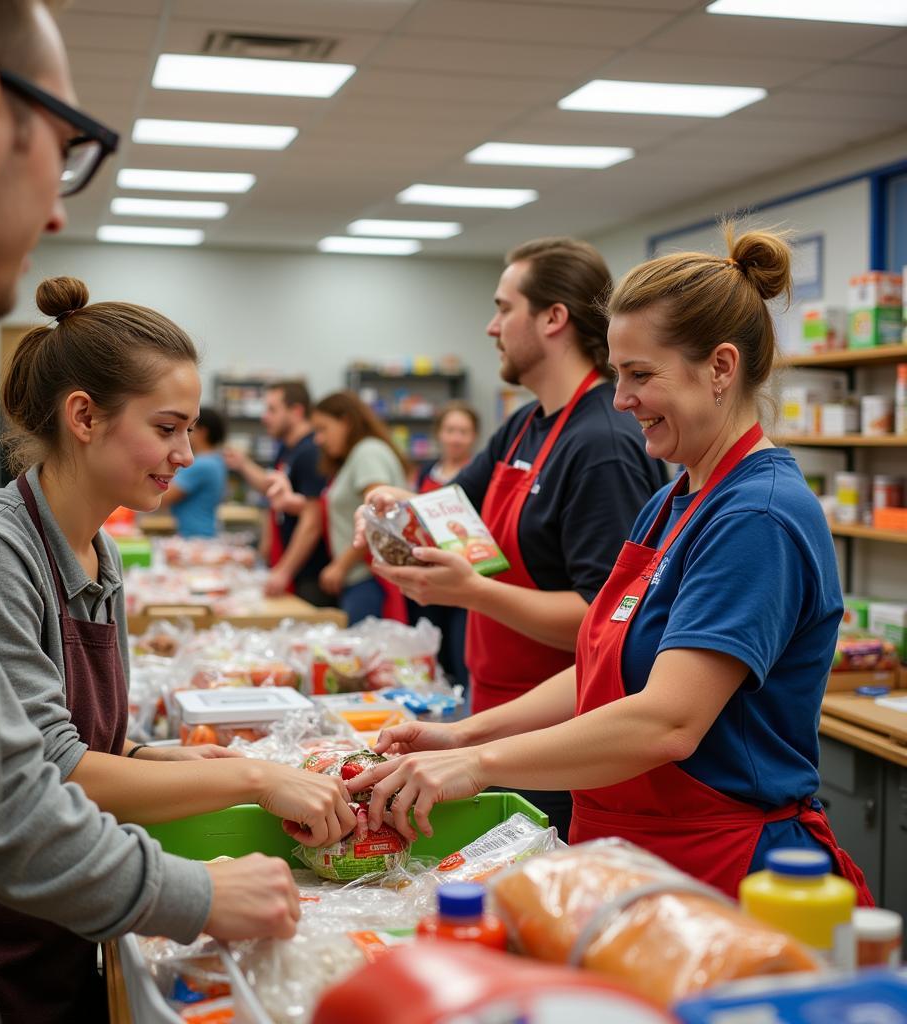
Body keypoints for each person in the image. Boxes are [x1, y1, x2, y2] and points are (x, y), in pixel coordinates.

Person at [0, 3, 302, 1021]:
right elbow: (27, 795)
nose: (60, 213)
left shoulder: (90, 554)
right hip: (7, 957)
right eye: (68, 152)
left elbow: (43, 755)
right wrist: (208, 864)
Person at [348, 226, 872, 906]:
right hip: (630, 853)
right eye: (618, 374)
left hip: (720, 870)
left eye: (640, 376)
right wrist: (462, 730)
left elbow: (666, 720)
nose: (620, 400)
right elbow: (602, 668)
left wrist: (476, 764)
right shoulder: (672, 498)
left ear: (720, 367)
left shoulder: (757, 516)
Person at [0, 278, 358, 1021]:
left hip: (69, 921)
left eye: (192, 429)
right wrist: (256, 777)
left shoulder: (95, 547)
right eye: (168, 428)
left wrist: (143, 755)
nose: (186, 453)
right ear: (84, 416)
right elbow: (44, 772)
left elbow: (61, 727)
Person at [359, 238, 668, 834]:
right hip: (492, 710)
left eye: (505, 308)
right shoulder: (522, 426)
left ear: (554, 318)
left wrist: (473, 593)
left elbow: (605, 624)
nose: (491, 326)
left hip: (559, 735)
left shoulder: (602, 445)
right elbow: (449, 508)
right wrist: (392, 505)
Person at [282, 390, 409, 623]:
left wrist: (341, 566)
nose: (318, 439)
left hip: (369, 579)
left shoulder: (367, 452)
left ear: (346, 422)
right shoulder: (355, 457)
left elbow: (378, 515)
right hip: (360, 577)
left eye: (323, 429)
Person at [225, 381, 331, 605]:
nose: (265, 417)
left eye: (272, 410)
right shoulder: (286, 448)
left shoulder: (310, 452)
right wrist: (243, 464)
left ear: (296, 411)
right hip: (288, 566)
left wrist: (284, 570)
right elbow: (270, 489)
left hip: (309, 572)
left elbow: (314, 518)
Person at [407, 402, 481, 691]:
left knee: (460, 650)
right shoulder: (427, 470)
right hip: (427, 574)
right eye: (450, 430)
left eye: (463, 431)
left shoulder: (478, 473)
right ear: (439, 434)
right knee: (429, 651)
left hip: (463, 575)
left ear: (474, 436)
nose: (456, 438)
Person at [160, 404, 227, 538]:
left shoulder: (202, 464)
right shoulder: (217, 460)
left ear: (203, 432)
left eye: (189, 429)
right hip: (204, 532)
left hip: (194, 536)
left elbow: (163, 498)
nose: (185, 435)